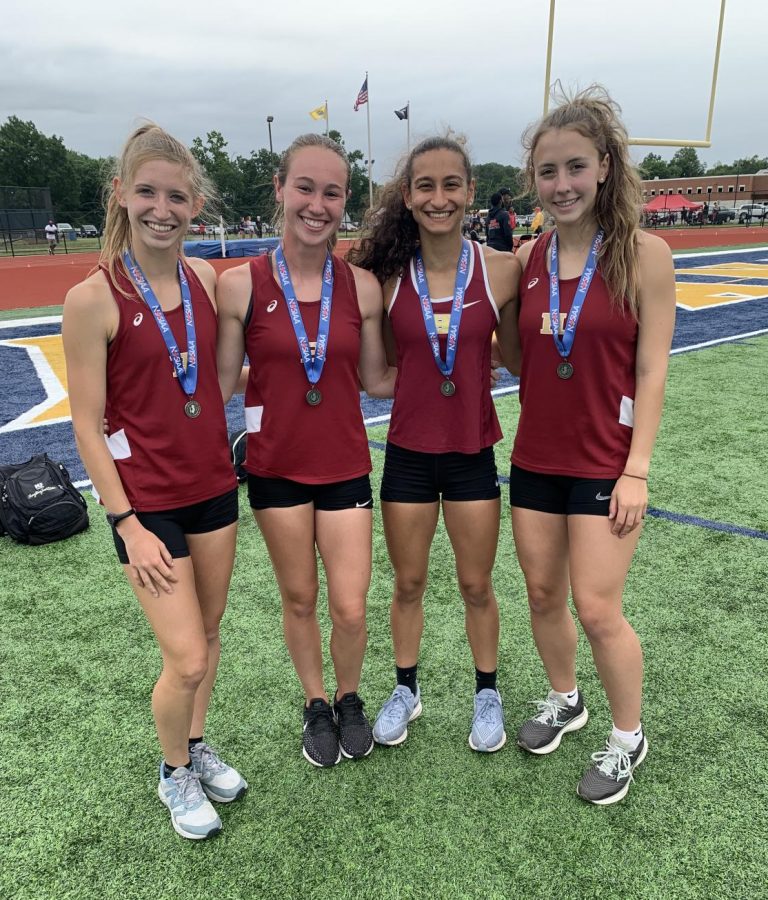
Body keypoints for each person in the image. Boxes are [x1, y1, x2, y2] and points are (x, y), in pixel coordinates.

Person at [62, 124, 247, 840]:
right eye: (147, 192)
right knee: (186, 655)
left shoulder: (204, 279)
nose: (161, 208)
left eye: (175, 195)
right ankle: (173, 772)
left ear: (194, 204)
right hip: (148, 507)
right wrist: (126, 524)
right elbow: (86, 425)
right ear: (121, 195)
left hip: (213, 489)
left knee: (209, 631)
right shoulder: (93, 298)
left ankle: (196, 747)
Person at [501, 86, 676, 804]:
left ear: (604, 166)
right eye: (548, 172)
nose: (561, 184)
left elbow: (653, 368)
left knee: (598, 607)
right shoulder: (526, 257)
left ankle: (627, 738)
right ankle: (566, 699)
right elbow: (520, 361)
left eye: (575, 167)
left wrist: (637, 467)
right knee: (543, 594)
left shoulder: (644, 254)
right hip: (536, 456)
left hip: (607, 462)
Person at [216, 133, 395, 769]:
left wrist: (456, 364)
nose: (317, 204)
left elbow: (378, 380)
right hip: (276, 469)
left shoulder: (365, 288)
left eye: (332, 192)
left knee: (348, 605)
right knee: (299, 599)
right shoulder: (238, 285)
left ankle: (350, 696)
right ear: (280, 189)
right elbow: (217, 383)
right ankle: (315, 702)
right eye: (305, 188)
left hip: (345, 463)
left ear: (344, 201)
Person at [349, 136, 521, 753]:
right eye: (426, 186)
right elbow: (382, 374)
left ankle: (486, 694)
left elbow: (519, 354)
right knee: (409, 583)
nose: (439, 197)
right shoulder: (387, 279)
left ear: (470, 191)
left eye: (452, 185)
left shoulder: (502, 268)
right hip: (409, 455)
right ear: (409, 195)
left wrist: (479, 364)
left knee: (477, 585)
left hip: (473, 451)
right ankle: (406, 690)